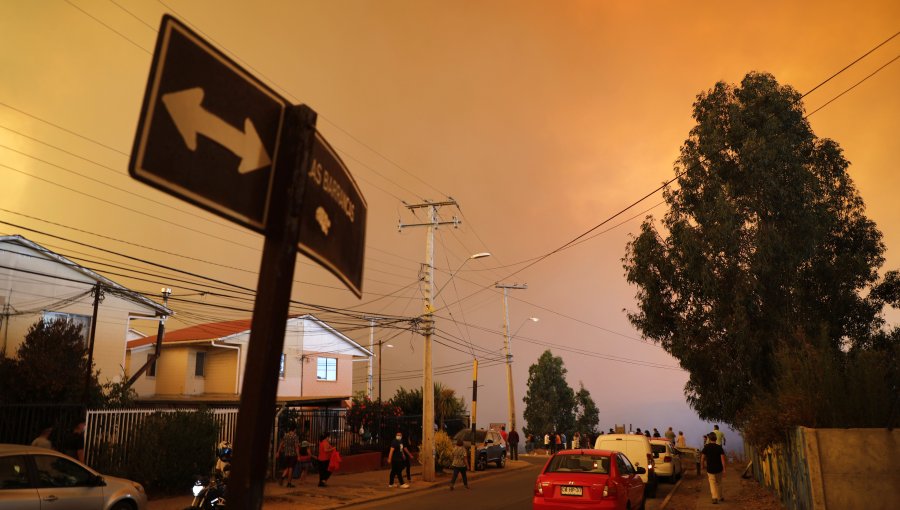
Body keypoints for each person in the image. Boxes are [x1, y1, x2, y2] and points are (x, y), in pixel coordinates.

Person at [701, 432, 727, 504]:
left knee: (712, 483)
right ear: (716, 439)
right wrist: (724, 469)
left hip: (710, 469)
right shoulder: (719, 447)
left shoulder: (706, 447)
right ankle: (720, 497)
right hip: (719, 469)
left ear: (709, 439)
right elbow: (722, 459)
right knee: (719, 483)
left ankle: (714, 497)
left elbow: (702, 458)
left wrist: (702, 465)